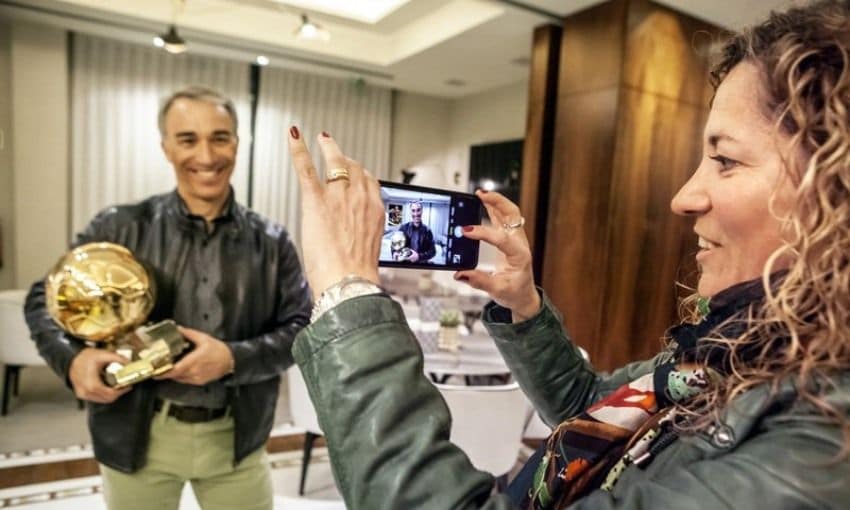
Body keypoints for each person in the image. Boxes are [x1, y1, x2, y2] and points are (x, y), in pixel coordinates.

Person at [285, 1, 850, 508]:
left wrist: (349, 298)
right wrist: (525, 307)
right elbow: (593, 410)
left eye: (725, 160)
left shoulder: (817, 446)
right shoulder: (735, 351)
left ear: (837, 190)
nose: (684, 197)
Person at [24, 86, 312, 510]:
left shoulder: (273, 242)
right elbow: (42, 301)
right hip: (136, 437)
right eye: (187, 139)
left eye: (219, 137)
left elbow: (302, 329)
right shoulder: (119, 227)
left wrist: (233, 358)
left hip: (237, 440)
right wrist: (73, 360)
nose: (207, 156)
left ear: (237, 143)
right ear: (166, 148)